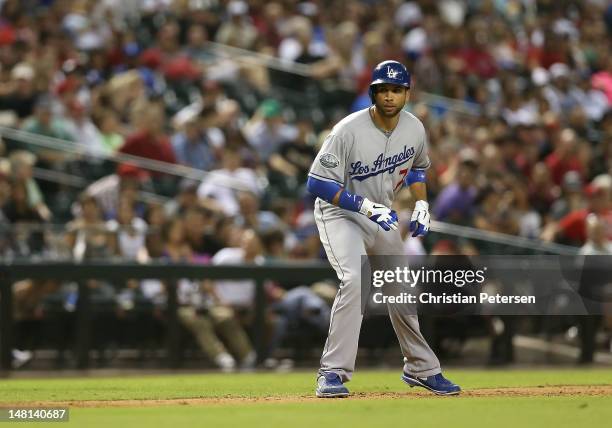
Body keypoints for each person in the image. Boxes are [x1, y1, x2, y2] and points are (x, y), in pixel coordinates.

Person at [306, 60, 461, 397]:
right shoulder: (347, 129)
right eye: (383, 90)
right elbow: (316, 183)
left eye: (396, 90)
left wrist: (421, 204)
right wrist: (362, 205)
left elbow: (418, 169)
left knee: (401, 289)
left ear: (407, 93)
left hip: (383, 214)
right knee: (355, 280)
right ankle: (332, 373)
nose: (390, 96)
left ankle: (421, 368)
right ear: (373, 92)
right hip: (340, 214)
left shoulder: (414, 128)